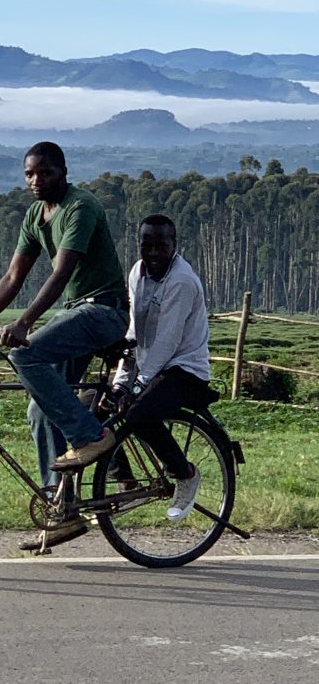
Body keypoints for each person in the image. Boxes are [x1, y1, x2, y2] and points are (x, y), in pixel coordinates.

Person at [0, 140, 128, 548]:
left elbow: (62, 272)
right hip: (76, 313)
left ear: (63, 172)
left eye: (44, 172)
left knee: (24, 356)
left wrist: (25, 323)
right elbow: (13, 278)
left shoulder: (80, 206)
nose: (35, 180)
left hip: (104, 311)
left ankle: (91, 437)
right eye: (29, 174)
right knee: (39, 407)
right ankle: (60, 512)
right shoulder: (35, 214)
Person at [111, 214, 211, 521]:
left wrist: (137, 386)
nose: (153, 252)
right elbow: (134, 331)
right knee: (93, 409)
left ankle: (185, 473)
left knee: (138, 414)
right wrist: (120, 382)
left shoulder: (181, 281)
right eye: (147, 245)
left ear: (174, 246)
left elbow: (167, 341)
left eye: (161, 246)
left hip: (185, 370)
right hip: (150, 365)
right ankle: (125, 482)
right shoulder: (137, 273)